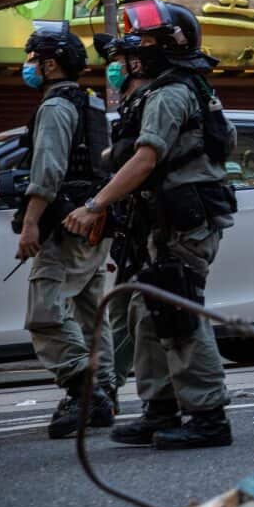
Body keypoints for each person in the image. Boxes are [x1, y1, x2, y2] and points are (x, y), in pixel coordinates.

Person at [64, 0, 237, 449]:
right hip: (160, 220)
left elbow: (146, 158)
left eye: (138, 44)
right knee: (146, 314)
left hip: (182, 220)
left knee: (179, 311)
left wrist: (95, 204)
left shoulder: (171, 94)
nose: (128, 56)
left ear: (165, 46)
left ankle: (207, 415)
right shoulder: (170, 91)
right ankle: (160, 410)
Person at [14, 21, 115, 439]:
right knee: (91, 311)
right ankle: (103, 389)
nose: (29, 67)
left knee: (45, 310)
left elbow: (48, 170)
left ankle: (84, 388)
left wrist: (31, 222)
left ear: (51, 64)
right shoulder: (91, 104)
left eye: (34, 60)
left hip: (65, 223)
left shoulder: (56, 106)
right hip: (93, 222)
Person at [92, 27, 153, 411]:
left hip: (156, 223)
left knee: (145, 313)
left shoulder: (155, 101)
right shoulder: (131, 107)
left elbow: (143, 161)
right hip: (132, 224)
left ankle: (170, 404)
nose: (112, 70)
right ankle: (109, 390)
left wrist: (95, 204)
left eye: (117, 62)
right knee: (124, 310)